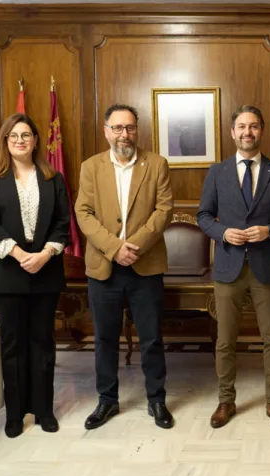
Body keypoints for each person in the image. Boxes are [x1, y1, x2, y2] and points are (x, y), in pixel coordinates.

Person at [197, 105, 270, 429]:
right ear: (232, 132)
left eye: (253, 126)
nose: (247, 132)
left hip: (266, 265)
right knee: (225, 341)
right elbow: (203, 216)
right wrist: (223, 232)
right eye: (241, 126)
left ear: (261, 131)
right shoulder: (217, 172)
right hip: (228, 266)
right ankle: (226, 401)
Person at [75, 104, 174, 430]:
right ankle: (107, 401)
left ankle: (156, 399)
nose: (124, 134)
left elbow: (164, 210)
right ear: (106, 131)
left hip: (146, 265)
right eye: (117, 128)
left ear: (137, 130)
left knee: (151, 338)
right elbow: (83, 213)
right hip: (104, 267)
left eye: (129, 127)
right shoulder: (91, 167)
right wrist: (115, 248)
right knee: (104, 339)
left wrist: (135, 247)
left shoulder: (156, 164)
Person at [0, 113, 71, 438]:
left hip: (45, 271)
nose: (20, 140)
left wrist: (43, 255)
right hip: (6, 273)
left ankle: (44, 410)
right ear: (5, 140)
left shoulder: (52, 177)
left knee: (43, 342)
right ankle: (14, 415)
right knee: (13, 344)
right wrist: (19, 254)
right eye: (14, 135)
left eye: (26, 135)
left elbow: (62, 223)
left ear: (35, 140)